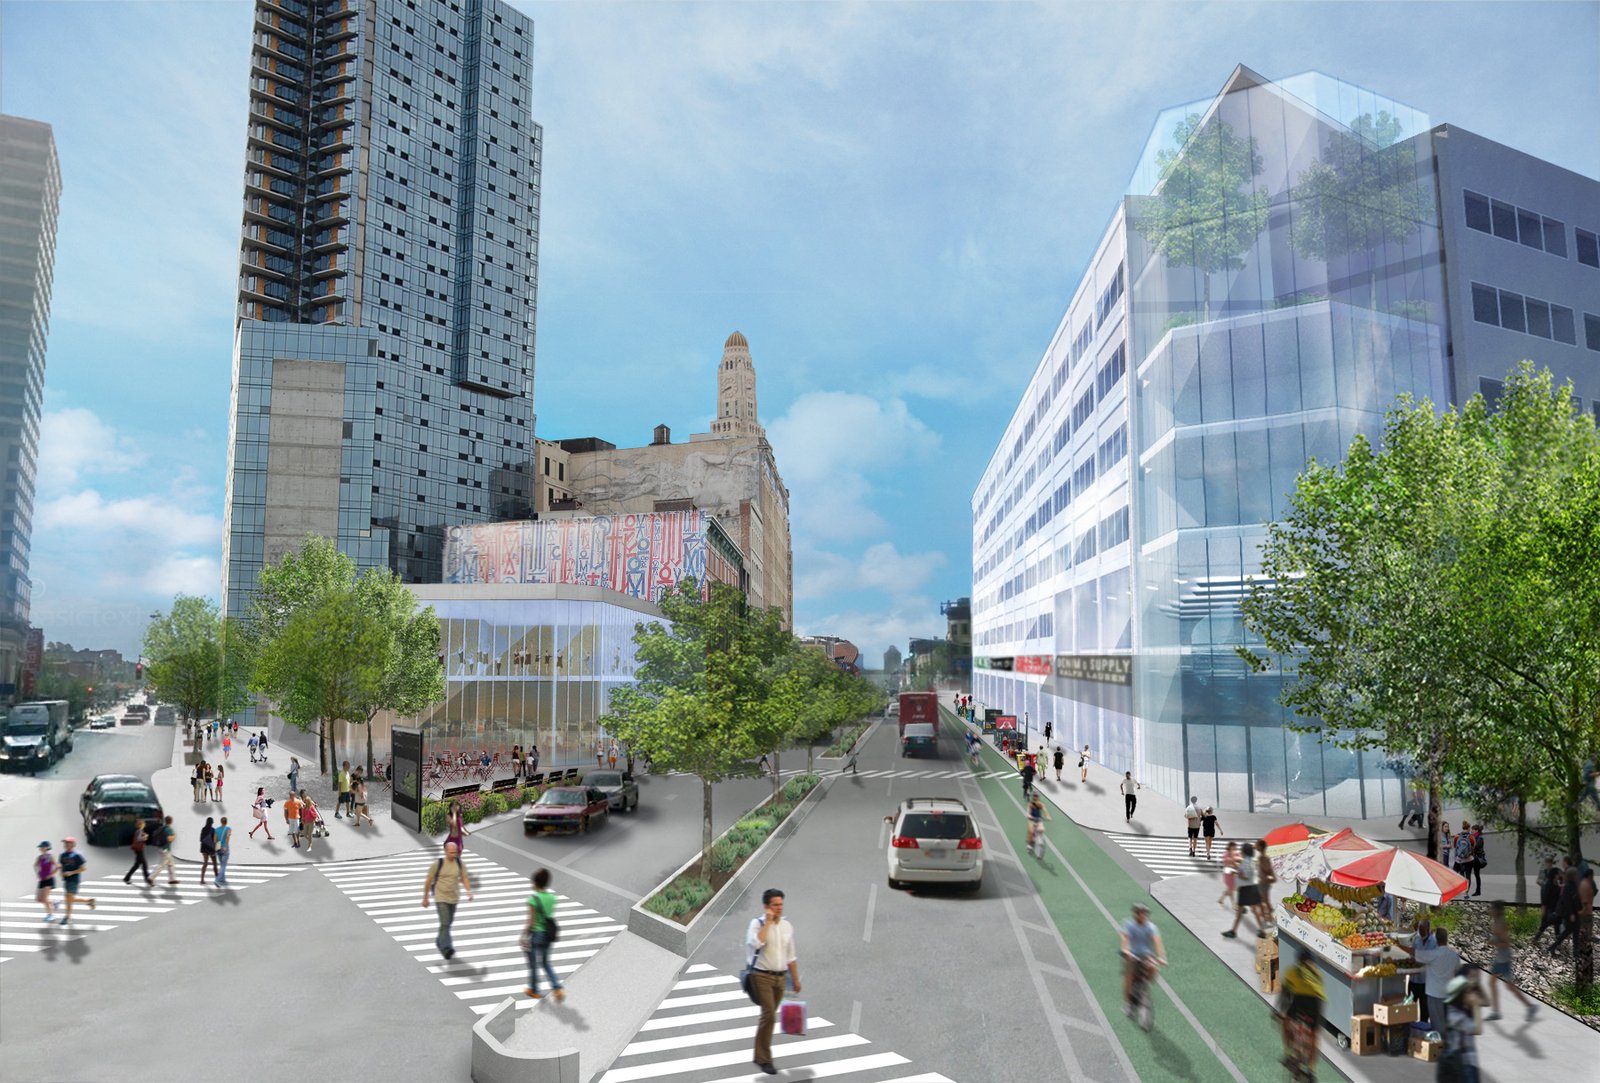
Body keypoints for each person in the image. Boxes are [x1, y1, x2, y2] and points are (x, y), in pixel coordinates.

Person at [746, 887, 800, 1076]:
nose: (779, 908)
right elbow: (756, 943)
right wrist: (768, 923)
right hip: (761, 976)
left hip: (780, 978)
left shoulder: (787, 926)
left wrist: (795, 979)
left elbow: (791, 955)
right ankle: (764, 1059)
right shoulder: (757, 923)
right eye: (775, 904)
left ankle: (758, 1054)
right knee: (769, 1014)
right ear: (766, 906)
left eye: (781, 904)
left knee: (768, 1016)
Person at [1484, 901, 1537, 1021]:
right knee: (1495, 983)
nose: (1489, 911)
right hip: (1501, 957)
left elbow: (1507, 943)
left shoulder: (1500, 924)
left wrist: (1493, 943)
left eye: (1491, 909)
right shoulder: (1497, 922)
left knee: (1508, 986)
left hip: (1503, 958)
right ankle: (1496, 1011)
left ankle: (1530, 1007)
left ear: (1496, 911)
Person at [422, 841, 473, 961]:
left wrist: (469, 891)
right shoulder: (438, 864)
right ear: (445, 851)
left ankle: (439, 940)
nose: (453, 854)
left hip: (454, 898)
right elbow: (428, 881)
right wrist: (425, 898)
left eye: (455, 852)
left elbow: (464, 878)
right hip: (441, 897)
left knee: (447, 923)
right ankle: (446, 948)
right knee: (445, 923)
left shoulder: (460, 864)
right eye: (451, 852)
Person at [520, 867, 565, 1001]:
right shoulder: (552, 898)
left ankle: (534, 990)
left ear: (536, 883)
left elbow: (531, 922)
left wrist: (523, 936)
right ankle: (557, 988)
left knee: (534, 965)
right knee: (546, 963)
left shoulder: (533, 899)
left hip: (537, 935)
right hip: (548, 935)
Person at [1402, 925, 1461, 1026]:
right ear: (1446, 939)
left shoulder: (1433, 954)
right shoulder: (1454, 956)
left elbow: (1414, 952)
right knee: (1444, 1022)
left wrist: (1398, 945)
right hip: (1446, 994)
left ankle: (1434, 1038)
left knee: (1434, 1021)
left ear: (1436, 940)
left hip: (1433, 994)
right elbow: (1458, 974)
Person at [1278, 952, 1325, 1073]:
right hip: (1317, 1003)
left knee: (1285, 1022)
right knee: (1314, 1035)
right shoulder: (1318, 974)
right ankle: (1311, 1069)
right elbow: (1321, 994)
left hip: (1300, 1000)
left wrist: (1281, 1012)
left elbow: (1285, 995)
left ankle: (1289, 1054)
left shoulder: (1292, 971)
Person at [1119, 903, 1167, 1014]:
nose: (1143, 916)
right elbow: (1125, 940)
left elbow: (1158, 943)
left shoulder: (1151, 927)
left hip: (1147, 955)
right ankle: (1127, 1003)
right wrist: (1126, 951)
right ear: (1135, 915)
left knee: (1153, 968)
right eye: (1140, 914)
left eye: (1145, 914)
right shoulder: (1129, 925)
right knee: (1128, 977)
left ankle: (1144, 986)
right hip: (1132, 955)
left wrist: (1161, 957)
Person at [1438, 975, 1482, 1083]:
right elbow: (1478, 1029)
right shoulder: (1457, 1017)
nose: (1472, 995)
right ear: (1460, 995)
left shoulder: (1456, 1009)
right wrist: (1476, 1005)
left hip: (1463, 1062)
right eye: (1468, 992)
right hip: (1463, 1065)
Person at [1223, 842, 1261, 938]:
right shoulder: (1249, 860)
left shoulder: (1247, 861)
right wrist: (1237, 870)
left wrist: (1236, 873)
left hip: (1246, 889)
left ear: (1244, 851)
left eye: (1242, 850)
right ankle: (1261, 930)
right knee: (1253, 910)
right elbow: (1244, 872)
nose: (1240, 851)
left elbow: (1245, 876)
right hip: (1251, 888)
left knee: (1242, 912)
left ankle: (1233, 932)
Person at [57, 838, 96, 925]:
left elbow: (83, 868)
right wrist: (61, 873)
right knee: (69, 899)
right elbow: (61, 866)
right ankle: (89, 901)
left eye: (68, 843)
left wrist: (71, 873)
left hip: (74, 880)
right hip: (66, 880)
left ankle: (67, 917)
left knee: (68, 898)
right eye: (65, 843)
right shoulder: (62, 855)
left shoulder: (77, 855)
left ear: (73, 844)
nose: (66, 844)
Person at [34, 841, 58, 923]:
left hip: (49, 880)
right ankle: (54, 902)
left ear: (47, 848)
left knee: (44, 898)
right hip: (42, 880)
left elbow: (58, 867)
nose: (40, 848)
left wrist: (51, 875)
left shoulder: (50, 857)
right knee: (39, 899)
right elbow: (35, 865)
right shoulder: (40, 857)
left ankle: (50, 915)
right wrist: (38, 873)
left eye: (42, 847)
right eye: (40, 847)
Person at [1256, 839, 1278, 924]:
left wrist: (1261, 868)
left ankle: (1269, 918)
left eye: (1257, 845)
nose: (1256, 846)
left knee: (1264, 901)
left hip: (1263, 883)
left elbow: (1267, 869)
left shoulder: (1263, 858)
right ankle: (1268, 917)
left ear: (1261, 847)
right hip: (1262, 882)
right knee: (1262, 901)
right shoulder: (1263, 857)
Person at [124, 819, 152, 885]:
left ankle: (127, 878)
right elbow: (139, 839)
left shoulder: (139, 831)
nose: (145, 824)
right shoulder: (139, 831)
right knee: (144, 865)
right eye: (144, 823)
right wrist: (145, 837)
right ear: (141, 825)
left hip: (138, 849)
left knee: (137, 865)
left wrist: (144, 836)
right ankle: (147, 879)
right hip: (139, 850)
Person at [153, 815, 179, 885]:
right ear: (171, 821)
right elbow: (169, 839)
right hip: (165, 849)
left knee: (171, 864)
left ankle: (172, 879)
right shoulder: (169, 829)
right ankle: (151, 878)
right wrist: (174, 835)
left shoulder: (163, 828)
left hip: (161, 848)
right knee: (161, 865)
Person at [1218, 841, 1241, 908]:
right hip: (1228, 872)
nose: (1234, 848)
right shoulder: (1226, 854)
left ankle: (1221, 899)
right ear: (1229, 847)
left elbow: (1239, 860)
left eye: (1235, 847)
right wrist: (1233, 861)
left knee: (1230, 888)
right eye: (1233, 847)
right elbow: (1226, 862)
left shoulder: (1237, 853)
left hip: (1234, 872)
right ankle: (1233, 904)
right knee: (1230, 888)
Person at [199, 816, 219, 885]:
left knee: (205, 863)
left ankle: (202, 879)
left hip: (204, 849)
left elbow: (201, 839)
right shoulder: (213, 830)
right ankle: (217, 879)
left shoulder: (203, 829)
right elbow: (216, 840)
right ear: (212, 823)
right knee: (215, 864)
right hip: (211, 849)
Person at [215, 816, 233, 887]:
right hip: (225, 849)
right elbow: (228, 838)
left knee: (222, 864)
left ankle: (223, 880)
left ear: (221, 822)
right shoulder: (228, 829)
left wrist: (216, 847)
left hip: (218, 849)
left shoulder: (216, 829)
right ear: (226, 822)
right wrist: (225, 846)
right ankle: (218, 880)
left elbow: (215, 840)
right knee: (223, 865)